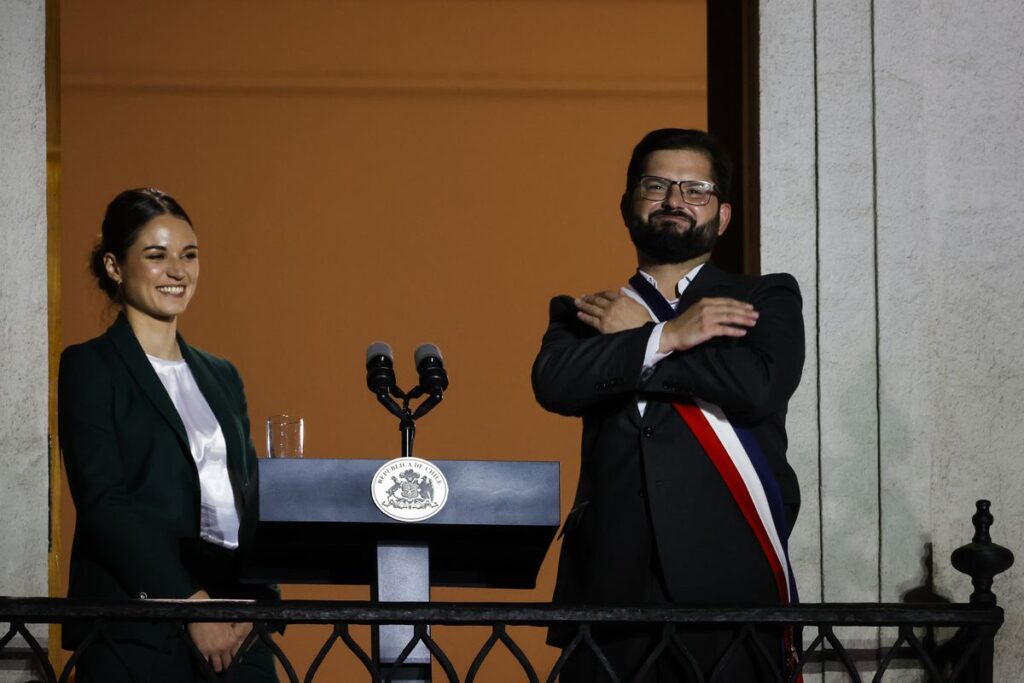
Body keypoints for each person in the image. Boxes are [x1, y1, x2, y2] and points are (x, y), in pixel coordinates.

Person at [532, 129, 804, 681]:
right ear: (628, 206)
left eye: (695, 189)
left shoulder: (764, 297)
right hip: (608, 585)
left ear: (722, 216)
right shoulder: (585, 313)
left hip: (729, 578)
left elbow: (758, 387)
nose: (675, 200)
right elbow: (554, 383)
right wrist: (666, 338)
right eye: (656, 185)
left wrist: (643, 337)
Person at [59, 188, 279, 682]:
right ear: (114, 267)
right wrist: (189, 604)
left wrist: (258, 602)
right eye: (156, 256)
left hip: (238, 626)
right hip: (141, 629)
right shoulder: (91, 366)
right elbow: (103, 502)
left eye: (189, 255)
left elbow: (247, 497)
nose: (177, 271)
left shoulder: (222, 375)